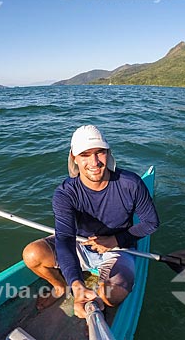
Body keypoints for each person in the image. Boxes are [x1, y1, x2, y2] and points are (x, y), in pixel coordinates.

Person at [22, 125, 159, 318]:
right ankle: (61, 286)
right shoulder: (65, 194)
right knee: (32, 254)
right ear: (74, 158)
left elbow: (151, 222)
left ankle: (99, 307)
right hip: (81, 243)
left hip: (119, 248)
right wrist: (77, 284)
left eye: (99, 152)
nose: (94, 162)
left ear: (108, 153)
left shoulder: (131, 184)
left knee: (113, 294)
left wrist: (116, 240)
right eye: (85, 154)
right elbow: (65, 239)